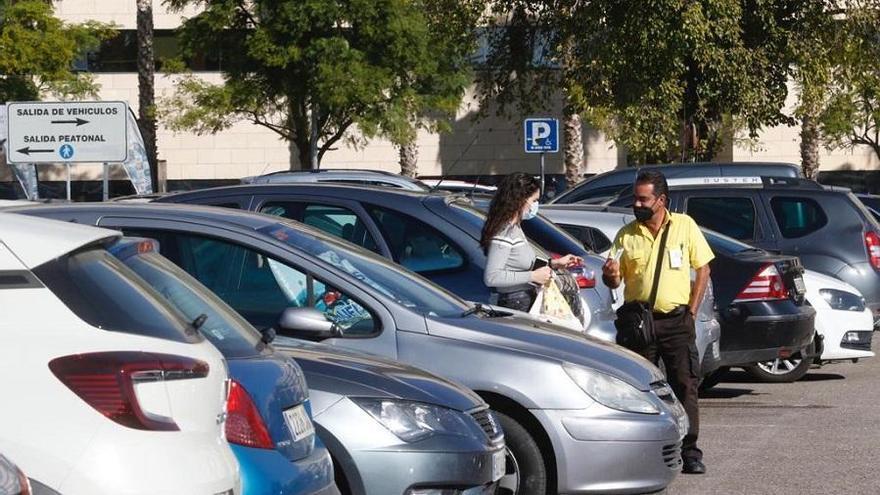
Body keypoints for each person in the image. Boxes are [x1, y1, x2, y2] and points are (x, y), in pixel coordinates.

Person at [601, 169, 713, 475]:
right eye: (635, 199)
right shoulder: (626, 235)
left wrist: (691, 311)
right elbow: (613, 279)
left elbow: (703, 269)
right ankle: (645, 451)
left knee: (684, 384)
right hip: (639, 322)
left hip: (676, 321)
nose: (636, 204)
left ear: (661, 200)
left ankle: (689, 451)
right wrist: (610, 275)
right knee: (639, 387)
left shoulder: (685, 227)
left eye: (643, 199)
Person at [481, 172, 582, 312]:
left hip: (523, 301)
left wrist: (553, 264)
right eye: (534, 200)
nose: (535, 206)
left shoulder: (515, 228)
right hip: (513, 304)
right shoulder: (505, 232)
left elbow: (519, 263)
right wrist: (533, 276)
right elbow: (492, 277)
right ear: (520, 199)